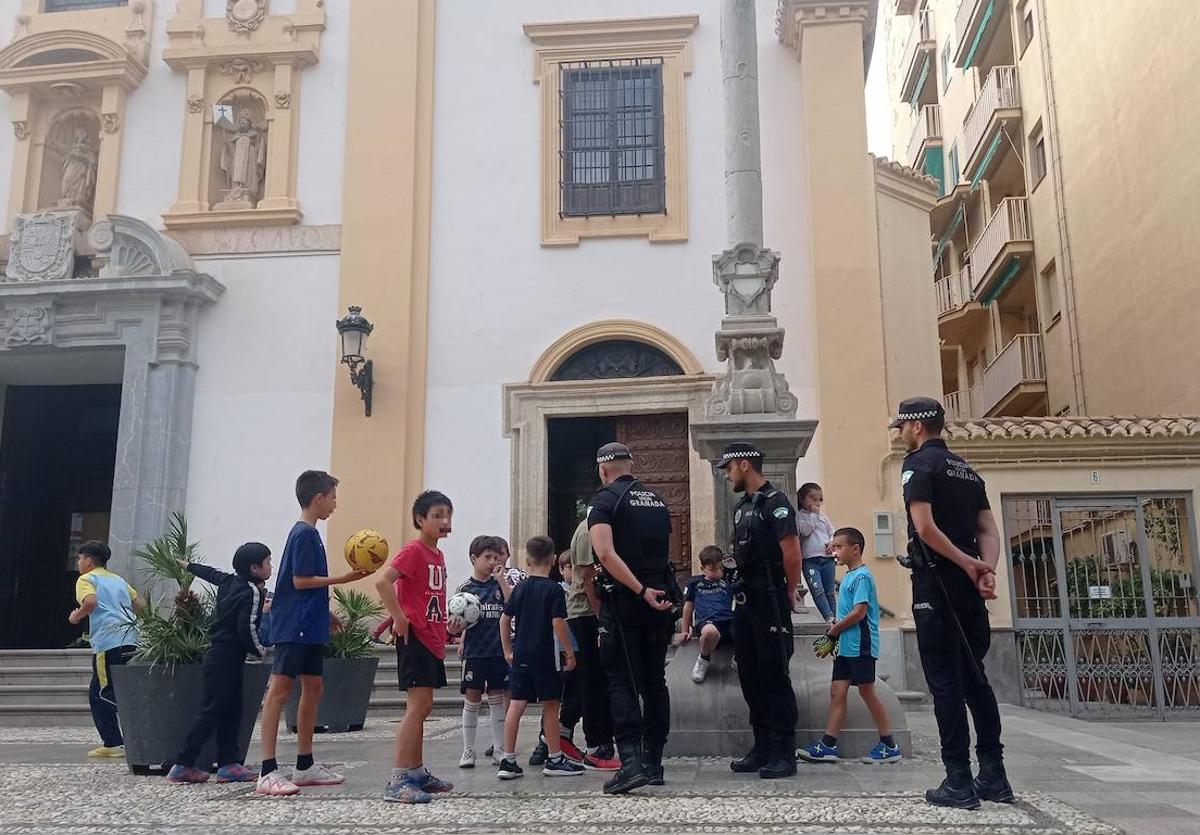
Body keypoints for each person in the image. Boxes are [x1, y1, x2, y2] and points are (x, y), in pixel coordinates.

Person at [892, 397, 1010, 809]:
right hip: (966, 589)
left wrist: (963, 562)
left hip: (936, 584)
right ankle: (994, 775)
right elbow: (987, 529)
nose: (900, 434)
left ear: (917, 426)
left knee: (945, 684)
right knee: (975, 678)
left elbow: (923, 526)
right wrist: (984, 568)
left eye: (902, 427)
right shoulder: (968, 470)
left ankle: (958, 779)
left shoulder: (918, 466)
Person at [255, 470, 369, 797]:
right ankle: (267, 770)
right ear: (318, 497)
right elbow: (299, 581)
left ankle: (304, 764)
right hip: (294, 626)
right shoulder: (303, 534)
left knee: (314, 687)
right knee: (279, 690)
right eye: (332, 497)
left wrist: (326, 611)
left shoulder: (312, 533)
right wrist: (342, 580)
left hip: (309, 623)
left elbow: (302, 584)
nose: (335, 504)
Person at [588, 442, 676, 794]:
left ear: (603, 469)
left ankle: (631, 763)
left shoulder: (604, 501)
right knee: (655, 681)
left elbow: (605, 554)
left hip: (626, 601)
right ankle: (654, 761)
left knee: (621, 681)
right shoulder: (657, 500)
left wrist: (638, 590)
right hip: (661, 601)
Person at [720, 442, 803, 779]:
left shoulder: (777, 504)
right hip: (746, 598)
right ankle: (762, 745)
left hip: (770, 595)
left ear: (744, 464)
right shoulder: (741, 508)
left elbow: (792, 554)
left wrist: (787, 592)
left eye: (728, 468)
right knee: (750, 674)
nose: (726, 475)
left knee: (774, 674)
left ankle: (784, 751)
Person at [167, 543, 272, 784]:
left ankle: (228, 764)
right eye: (268, 562)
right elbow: (245, 628)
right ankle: (183, 764)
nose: (271, 567)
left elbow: (211, 574)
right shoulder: (251, 591)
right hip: (226, 656)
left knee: (231, 709)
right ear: (254, 568)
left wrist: (189, 565)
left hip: (221, 656)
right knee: (213, 710)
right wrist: (260, 650)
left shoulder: (229, 582)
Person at [375, 490, 456, 803]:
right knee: (417, 707)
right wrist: (399, 618)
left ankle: (417, 772)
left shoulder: (437, 555)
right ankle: (397, 780)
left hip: (432, 636)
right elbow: (383, 581)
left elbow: (429, 597)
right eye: (437, 515)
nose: (444, 521)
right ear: (420, 520)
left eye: (447, 514)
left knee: (425, 707)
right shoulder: (414, 550)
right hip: (415, 638)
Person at [797, 528, 902, 766]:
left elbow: (859, 612)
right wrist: (835, 632)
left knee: (867, 691)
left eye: (839, 547)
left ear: (855, 549)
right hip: (846, 646)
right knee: (837, 691)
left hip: (861, 646)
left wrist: (834, 629)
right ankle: (828, 745)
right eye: (834, 547)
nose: (835, 552)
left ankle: (889, 745)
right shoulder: (849, 577)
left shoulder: (862, 577)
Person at [496, 536, 584, 779]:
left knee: (516, 704)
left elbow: (504, 620)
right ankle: (554, 758)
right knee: (551, 706)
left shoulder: (520, 588)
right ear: (554, 560)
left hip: (521, 654)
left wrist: (507, 651)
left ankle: (508, 759)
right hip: (546, 656)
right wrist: (569, 653)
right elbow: (558, 622)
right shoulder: (554, 589)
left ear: (527, 560)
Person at [69, 540, 142, 759]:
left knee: (104, 691)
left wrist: (75, 616)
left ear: (88, 560)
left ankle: (134, 730)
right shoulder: (117, 579)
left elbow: (90, 602)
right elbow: (140, 604)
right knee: (101, 691)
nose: (79, 563)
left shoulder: (86, 579)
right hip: (130, 638)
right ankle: (112, 741)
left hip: (108, 642)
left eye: (80, 558)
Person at [557, 519, 621, 771]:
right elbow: (586, 577)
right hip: (586, 613)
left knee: (586, 677)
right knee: (594, 680)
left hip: (593, 613)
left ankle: (556, 735)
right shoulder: (588, 529)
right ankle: (596, 746)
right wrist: (601, 620)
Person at [456, 535, 511, 769]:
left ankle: (499, 748)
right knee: (472, 699)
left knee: (497, 698)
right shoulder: (465, 590)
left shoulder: (499, 585)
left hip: (497, 650)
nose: (492, 562)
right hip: (476, 651)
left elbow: (512, 605)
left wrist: (502, 582)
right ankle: (468, 750)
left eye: (496, 558)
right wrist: (458, 634)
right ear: (474, 559)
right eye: (487, 557)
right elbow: (456, 619)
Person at [678, 545, 735, 684]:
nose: (716, 573)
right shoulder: (695, 583)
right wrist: (685, 630)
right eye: (712, 570)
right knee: (710, 633)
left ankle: (740, 658)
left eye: (719, 569)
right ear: (703, 568)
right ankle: (703, 659)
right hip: (708, 621)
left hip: (728, 620)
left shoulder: (728, 581)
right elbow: (688, 607)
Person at [797, 483, 838, 625]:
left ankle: (835, 617)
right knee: (817, 589)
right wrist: (813, 516)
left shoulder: (823, 518)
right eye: (812, 498)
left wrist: (832, 542)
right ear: (802, 499)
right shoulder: (800, 517)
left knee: (830, 592)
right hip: (810, 560)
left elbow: (832, 532)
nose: (816, 503)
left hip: (827, 559)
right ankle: (828, 617)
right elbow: (805, 531)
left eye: (819, 499)